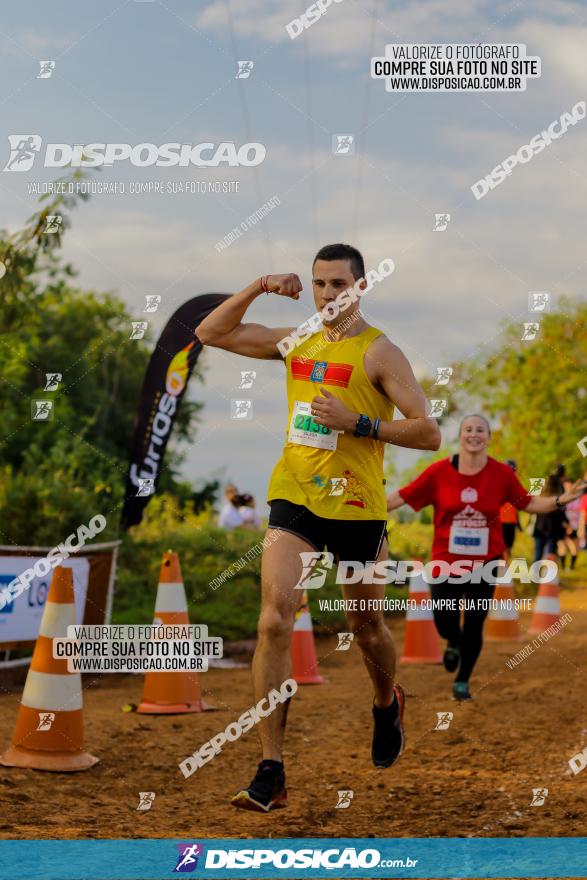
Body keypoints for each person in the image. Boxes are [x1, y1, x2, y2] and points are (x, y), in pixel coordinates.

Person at [195, 242, 441, 811]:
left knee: (367, 625)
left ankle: (386, 703)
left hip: (356, 505)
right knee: (274, 621)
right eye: (320, 284)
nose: (330, 294)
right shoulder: (296, 339)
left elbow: (428, 433)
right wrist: (259, 284)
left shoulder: (381, 353)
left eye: (340, 284)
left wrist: (357, 422)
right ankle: (271, 770)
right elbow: (210, 332)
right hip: (295, 496)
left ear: (360, 287)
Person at [386, 415, 585, 702]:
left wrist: (559, 501)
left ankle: (463, 680)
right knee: (444, 620)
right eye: (468, 430)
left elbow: (528, 503)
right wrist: (371, 508)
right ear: (461, 436)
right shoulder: (439, 472)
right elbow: (403, 496)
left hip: (487, 563)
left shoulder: (502, 474)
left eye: (480, 430)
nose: (474, 435)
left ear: (488, 438)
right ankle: (452, 640)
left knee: (476, 623)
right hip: (446, 561)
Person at [532, 473, 568, 564]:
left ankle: (534, 576)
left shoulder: (540, 496)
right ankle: (550, 576)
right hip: (553, 529)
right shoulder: (558, 498)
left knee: (538, 555)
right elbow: (561, 515)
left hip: (540, 528)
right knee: (551, 554)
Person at [499, 459, 521, 564]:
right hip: (500, 521)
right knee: (500, 548)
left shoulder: (516, 483)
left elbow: (518, 505)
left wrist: (518, 523)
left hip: (511, 522)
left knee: (508, 548)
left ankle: (505, 567)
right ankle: (503, 570)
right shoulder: (498, 482)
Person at [558, 477, 581, 573]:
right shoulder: (561, 498)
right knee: (563, 547)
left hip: (575, 525)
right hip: (564, 526)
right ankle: (563, 567)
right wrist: (567, 526)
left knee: (575, 547)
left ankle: (571, 567)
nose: (569, 486)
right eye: (566, 485)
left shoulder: (577, 497)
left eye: (570, 484)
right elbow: (559, 514)